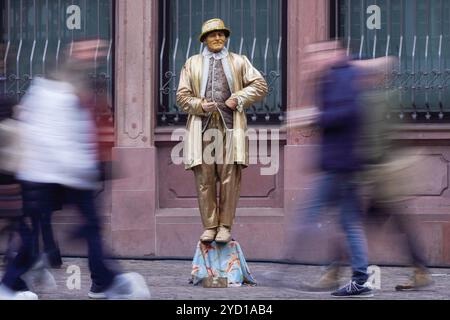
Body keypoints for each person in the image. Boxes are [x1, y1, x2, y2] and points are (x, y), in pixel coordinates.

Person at [0, 39, 150, 300]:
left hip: (67, 175)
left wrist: (91, 168)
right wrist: (84, 171)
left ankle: (103, 282)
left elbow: (80, 136)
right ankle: (11, 284)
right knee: (35, 236)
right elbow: (52, 140)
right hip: (46, 176)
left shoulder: (72, 92)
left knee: (88, 229)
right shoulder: (50, 93)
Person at [176, 19, 268, 243]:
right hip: (203, 130)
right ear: (204, 39)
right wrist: (199, 105)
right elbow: (181, 96)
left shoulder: (239, 61)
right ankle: (210, 226)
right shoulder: (192, 63)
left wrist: (238, 98)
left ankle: (225, 226)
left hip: (230, 128)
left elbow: (260, 85)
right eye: (212, 35)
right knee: (204, 179)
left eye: (221, 34)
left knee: (230, 179)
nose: (217, 38)